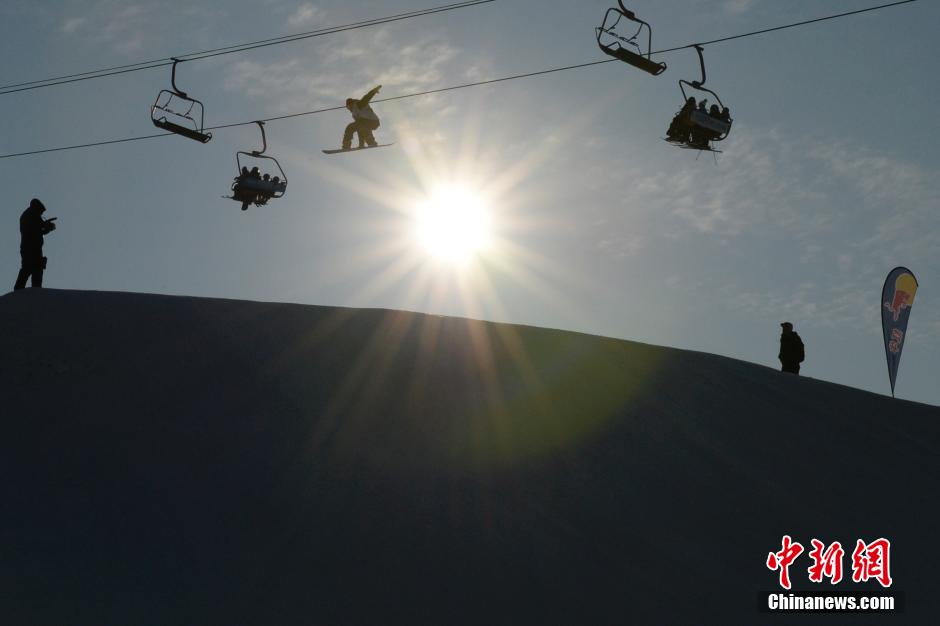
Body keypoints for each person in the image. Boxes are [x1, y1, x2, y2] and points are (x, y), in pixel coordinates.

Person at [14, 198, 56, 290]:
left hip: (33, 247)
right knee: (30, 268)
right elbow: (35, 230)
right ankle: (28, 290)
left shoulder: (32, 215)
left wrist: (47, 228)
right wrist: (46, 227)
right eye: (40, 212)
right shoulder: (29, 216)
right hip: (30, 248)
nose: (41, 214)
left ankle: (33, 289)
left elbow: (40, 229)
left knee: (33, 268)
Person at [342, 84, 382, 150]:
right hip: (368, 122)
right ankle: (370, 142)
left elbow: (366, 97)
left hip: (371, 121)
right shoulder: (355, 113)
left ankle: (347, 144)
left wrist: (374, 91)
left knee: (352, 127)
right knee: (357, 127)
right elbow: (359, 129)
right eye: (347, 108)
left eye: (348, 107)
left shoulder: (358, 104)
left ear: (351, 103)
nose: (349, 109)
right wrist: (361, 145)